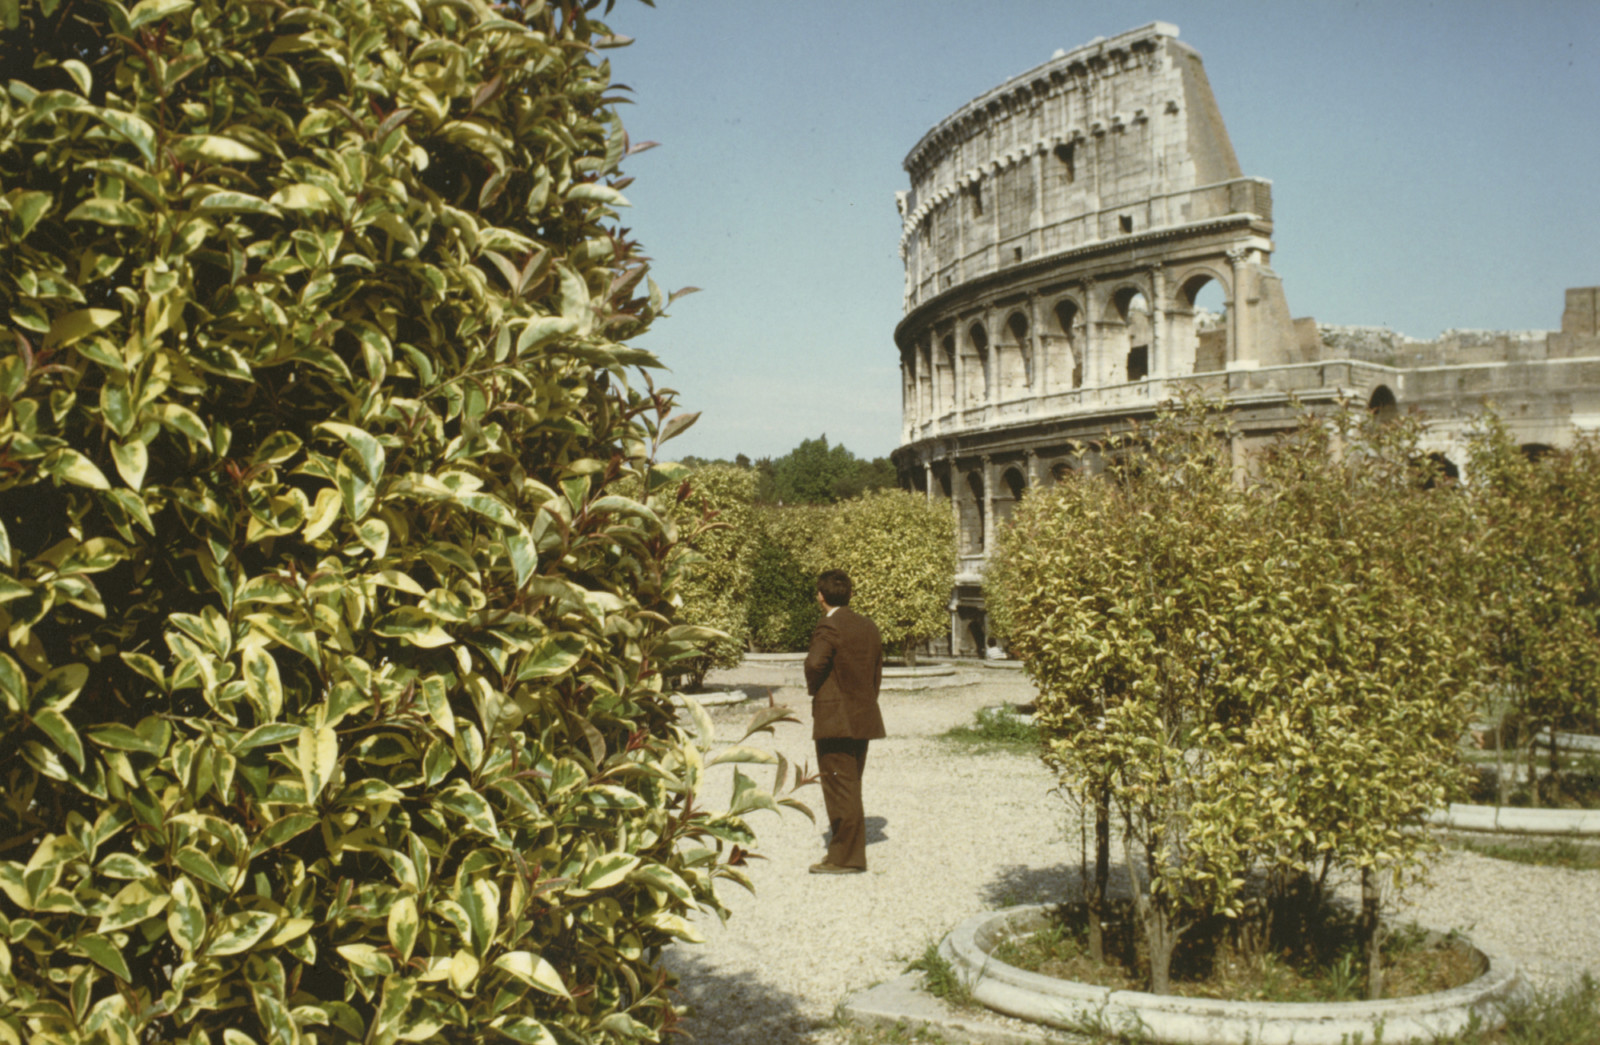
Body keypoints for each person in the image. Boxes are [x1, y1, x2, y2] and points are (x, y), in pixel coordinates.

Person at [803, 569, 885, 874]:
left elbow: (815, 662)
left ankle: (846, 858)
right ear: (849, 594)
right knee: (851, 783)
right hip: (863, 716)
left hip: (835, 719)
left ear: (821, 596)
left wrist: (817, 690)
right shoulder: (868, 626)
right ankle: (845, 850)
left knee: (839, 786)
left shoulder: (829, 625)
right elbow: (876, 672)